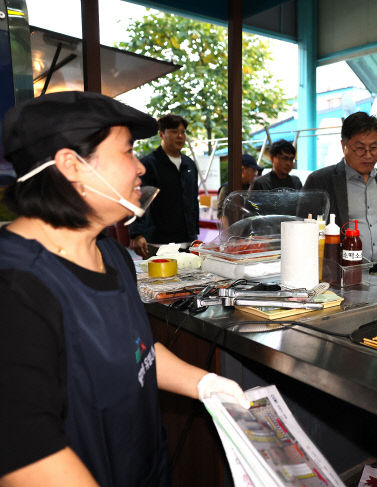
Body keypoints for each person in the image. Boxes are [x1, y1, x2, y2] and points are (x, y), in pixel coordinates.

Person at [0, 91, 249, 486]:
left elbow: (137, 352)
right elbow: (30, 459)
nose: (140, 168)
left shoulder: (111, 256)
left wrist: (204, 384)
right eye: (128, 151)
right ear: (72, 165)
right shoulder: (16, 290)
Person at [303, 112, 377, 278]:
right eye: (360, 148)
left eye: (374, 148)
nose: (368, 155)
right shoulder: (320, 181)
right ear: (344, 145)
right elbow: (304, 235)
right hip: (338, 278)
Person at [129, 114, 199, 258]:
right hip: (157, 243)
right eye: (174, 132)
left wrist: (194, 235)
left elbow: (193, 201)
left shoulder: (189, 164)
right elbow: (138, 200)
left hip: (187, 242)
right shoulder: (148, 164)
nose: (180, 136)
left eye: (183, 132)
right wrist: (137, 234)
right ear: (162, 134)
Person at [217, 152, 263, 221]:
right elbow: (221, 214)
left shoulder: (255, 186)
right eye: (253, 170)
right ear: (242, 169)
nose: (255, 174)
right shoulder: (227, 188)